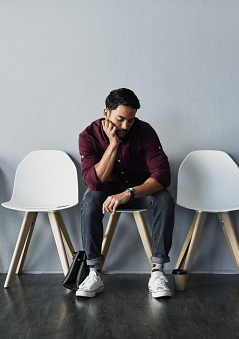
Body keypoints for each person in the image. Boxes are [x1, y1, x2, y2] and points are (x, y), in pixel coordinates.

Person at [77, 88, 175, 298]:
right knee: (90, 199)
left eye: (130, 121)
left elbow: (163, 175)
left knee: (165, 198)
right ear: (106, 113)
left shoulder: (145, 131)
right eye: (120, 119)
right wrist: (113, 145)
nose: (125, 126)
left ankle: (158, 272)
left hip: (140, 188)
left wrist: (129, 193)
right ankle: (94, 273)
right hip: (108, 188)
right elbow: (94, 182)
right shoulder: (88, 136)